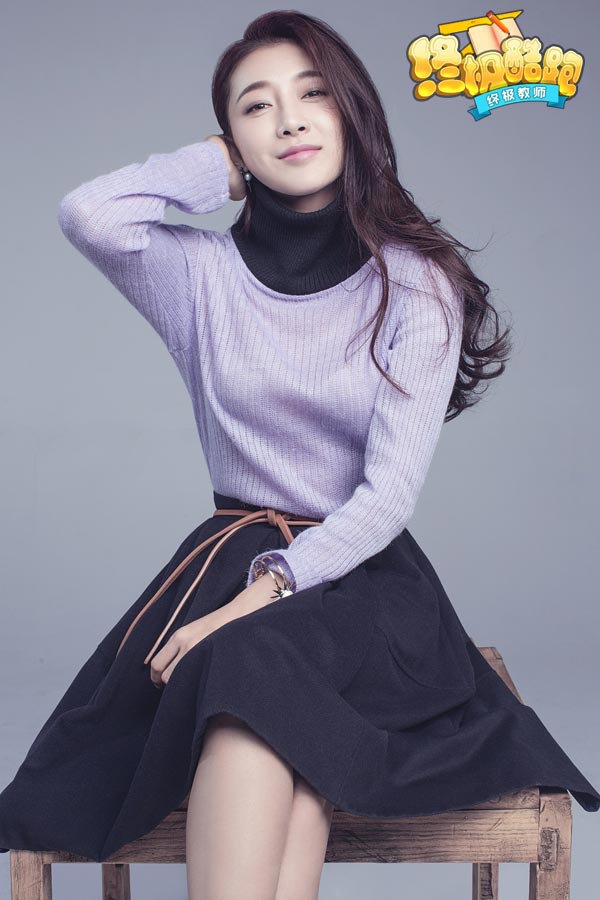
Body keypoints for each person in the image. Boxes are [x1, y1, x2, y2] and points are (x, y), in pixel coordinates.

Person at [0, 10, 598, 900]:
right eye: (256, 106)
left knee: (245, 663)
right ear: (233, 141)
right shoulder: (200, 279)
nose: (289, 121)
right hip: (231, 552)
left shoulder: (414, 281)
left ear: (352, 111)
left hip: (363, 579)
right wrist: (209, 169)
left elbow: (385, 497)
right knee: (271, 722)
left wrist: (250, 603)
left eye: (314, 94)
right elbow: (88, 214)